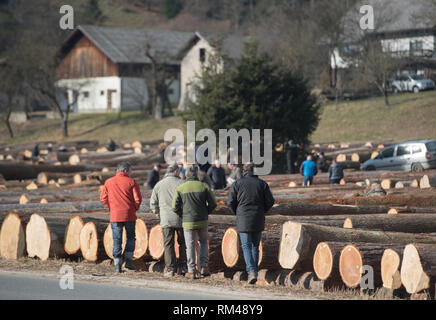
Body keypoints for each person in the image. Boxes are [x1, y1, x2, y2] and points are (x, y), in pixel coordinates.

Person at [227, 163, 275, 284]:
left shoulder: (237, 183)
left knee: (246, 246)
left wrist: (237, 212)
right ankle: (254, 271)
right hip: (258, 217)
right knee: (255, 246)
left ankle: (251, 271)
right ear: (255, 171)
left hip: (243, 217)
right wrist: (262, 210)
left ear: (244, 171)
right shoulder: (262, 184)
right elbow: (270, 201)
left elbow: (230, 201)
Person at [172, 166, 217, 280]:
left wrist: (183, 215)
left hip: (188, 222)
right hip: (202, 220)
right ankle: (204, 267)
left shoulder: (181, 188)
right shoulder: (204, 186)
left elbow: (174, 207)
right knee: (204, 243)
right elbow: (213, 203)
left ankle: (191, 271)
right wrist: (206, 212)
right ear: (196, 174)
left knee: (190, 245)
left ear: (186, 175)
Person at [100, 162, 142, 273]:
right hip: (129, 215)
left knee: (117, 240)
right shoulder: (131, 182)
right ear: (125, 171)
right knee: (131, 238)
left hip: (115, 215)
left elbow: (103, 198)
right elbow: (137, 199)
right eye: (130, 171)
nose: (131, 173)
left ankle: (117, 266)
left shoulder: (108, 182)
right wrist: (134, 209)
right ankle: (128, 261)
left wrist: (111, 207)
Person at [150, 164, 187, 277]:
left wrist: (159, 215)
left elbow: (153, 203)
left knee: (168, 244)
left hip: (166, 219)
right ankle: (183, 268)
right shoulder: (182, 183)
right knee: (183, 244)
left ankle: (171, 269)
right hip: (181, 219)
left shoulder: (159, 185)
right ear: (176, 171)